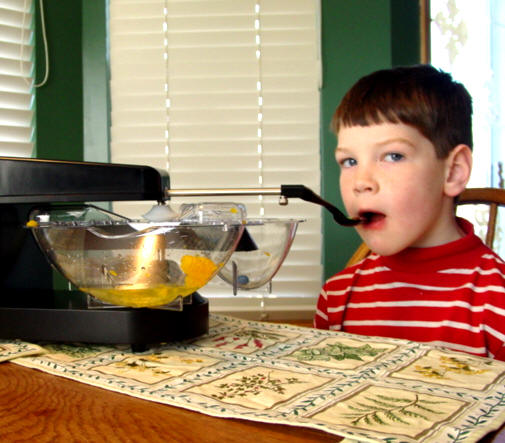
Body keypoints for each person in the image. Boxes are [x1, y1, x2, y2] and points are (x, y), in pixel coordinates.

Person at [313, 64, 505, 361]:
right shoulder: (337, 299)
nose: (362, 182)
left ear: (453, 171)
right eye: (349, 161)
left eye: (393, 156)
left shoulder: (497, 303)